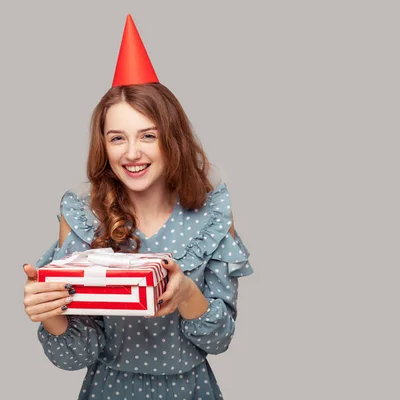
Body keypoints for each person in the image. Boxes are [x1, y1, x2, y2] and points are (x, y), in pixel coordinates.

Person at [22, 14, 253, 400]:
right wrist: (50, 313)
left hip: (190, 390)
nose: (132, 153)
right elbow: (77, 354)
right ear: (104, 147)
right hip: (109, 389)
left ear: (172, 140)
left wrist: (186, 296)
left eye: (148, 135)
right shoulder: (81, 218)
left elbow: (220, 339)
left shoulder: (211, 217)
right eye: (117, 138)